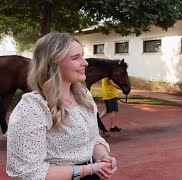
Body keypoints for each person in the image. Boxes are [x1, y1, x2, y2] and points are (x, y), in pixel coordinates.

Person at [6, 32, 117, 179]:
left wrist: (103, 156)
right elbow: (26, 173)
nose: (85, 62)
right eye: (75, 57)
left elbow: (93, 138)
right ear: (53, 63)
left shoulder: (84, 96)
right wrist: (86, 170)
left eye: (82, 56)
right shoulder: (33, 108)